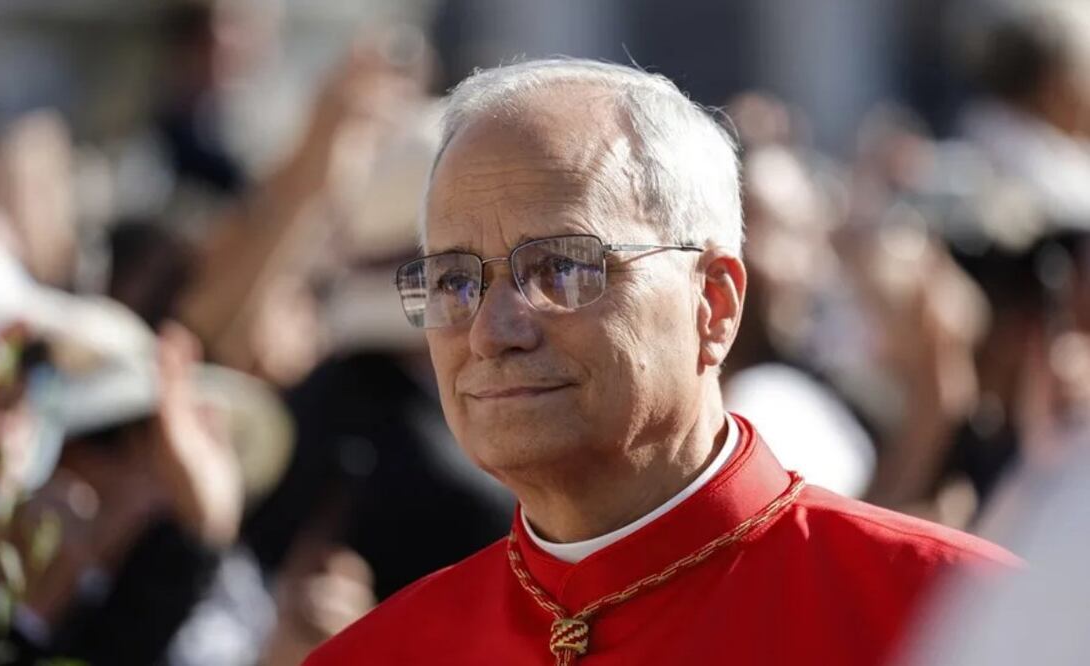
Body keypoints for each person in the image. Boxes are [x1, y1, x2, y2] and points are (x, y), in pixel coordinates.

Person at [305, 59, 1016, 666]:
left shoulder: (962, 619)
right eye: (455, 281)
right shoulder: (378, 654)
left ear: (713, 303)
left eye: (561, 268)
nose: (493, 330)